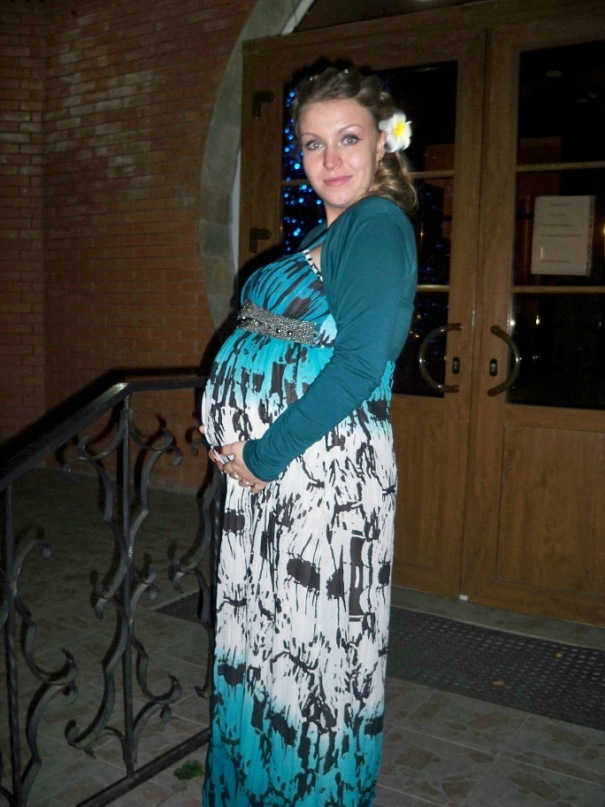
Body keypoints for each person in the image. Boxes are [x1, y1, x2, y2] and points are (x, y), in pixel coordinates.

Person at [200, 65, 418, 807]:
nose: (331, 159)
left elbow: (359, 365)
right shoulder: (335, 228)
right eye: (314, 143)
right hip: (285, 478)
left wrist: (262, 453)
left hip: (320, 481)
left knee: (312, 664)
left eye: (348, 139)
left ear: (382, 144)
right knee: (269, 653)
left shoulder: (376, 224)